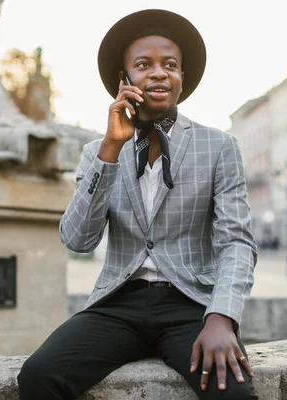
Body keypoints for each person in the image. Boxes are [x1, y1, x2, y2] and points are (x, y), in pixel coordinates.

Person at [17, 9, 258, 400]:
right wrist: (111, 150)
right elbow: (77, 239)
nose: (160, 73)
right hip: (118, 305)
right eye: (144, 65)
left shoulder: (220, 147)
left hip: (191, 305)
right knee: (39, 376)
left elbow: (237, 242)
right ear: (124, 80)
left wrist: (222, 317)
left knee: (233, 393)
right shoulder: (98, 151)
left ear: (182, 79)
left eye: (171, 65)